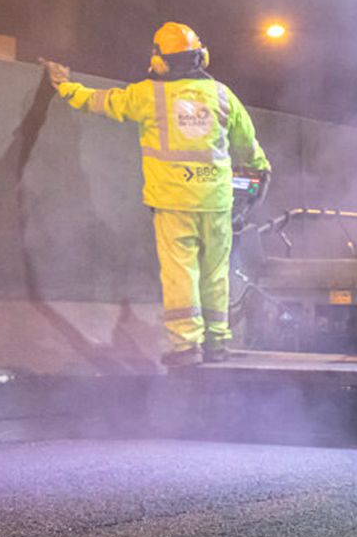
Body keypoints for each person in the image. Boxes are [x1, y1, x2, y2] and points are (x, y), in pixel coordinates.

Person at [43, 22, 270, 367]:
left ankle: (186, 347)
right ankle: (217, 344)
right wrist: (260, 167)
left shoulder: (148, 94)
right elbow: (247, 144)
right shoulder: (222, 95)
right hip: (217, 200)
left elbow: (101, 101)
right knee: (215, 274)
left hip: (173, 202)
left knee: (181, 274)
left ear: (161, 61)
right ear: (201, 57)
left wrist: (65, 87)